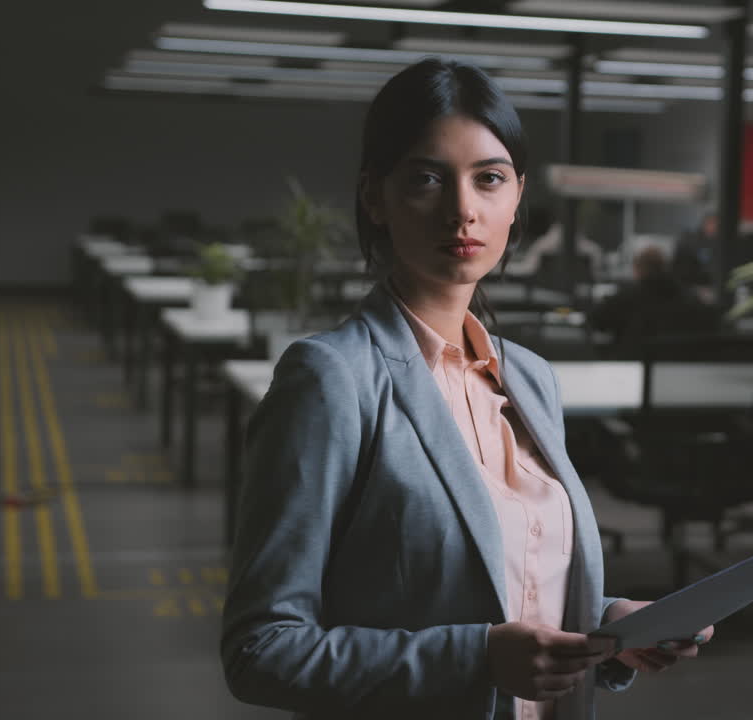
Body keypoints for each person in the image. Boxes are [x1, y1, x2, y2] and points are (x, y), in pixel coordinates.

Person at [221, 58, 713, 720]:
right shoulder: (331, 379)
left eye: (489, 179)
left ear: (517, 198)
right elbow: (261, 650)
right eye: (427, 179)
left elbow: (497, 581)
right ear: (375, 196)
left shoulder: (529, 377)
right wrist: (474, 658)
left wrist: (610, 625)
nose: (463, 210)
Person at [590, 245, 721, 355]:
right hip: (684, 373)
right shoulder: (690, 298)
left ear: (638, 270)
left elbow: (596, 321)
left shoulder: (626, 297)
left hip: (634, 370)